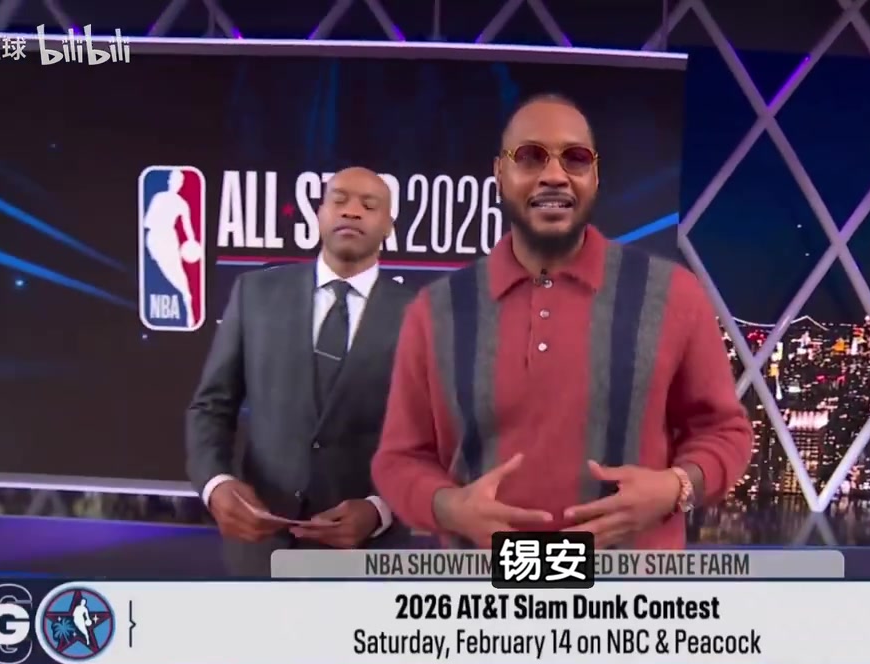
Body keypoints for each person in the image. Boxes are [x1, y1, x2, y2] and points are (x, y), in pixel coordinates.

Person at [372, 95, 753, 549]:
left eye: (575, 158)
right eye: (530, 156)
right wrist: (448, 508)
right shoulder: (434, 310)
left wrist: (675, 489)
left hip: (632, 589)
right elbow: (399, 459)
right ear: (499, 173)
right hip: (480, 589)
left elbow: (724, 433)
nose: (554, 175)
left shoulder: (675, 294)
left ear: (595, 175)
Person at [187, 167, 412, 576]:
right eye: (339, 200)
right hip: (259, 553)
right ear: (320, 213)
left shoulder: (425, 314)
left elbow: (439, 438)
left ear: (388, 226)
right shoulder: (255, 294)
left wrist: (380, 510)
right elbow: (211, 407)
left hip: (366, 561)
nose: (352, 211)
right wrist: (216, 484)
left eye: (369, 205)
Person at [143, 168, 199, 328]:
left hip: (169, 238)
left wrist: (192, 243)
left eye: (180, 181)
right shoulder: (159, 197)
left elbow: (188, 227)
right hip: (155, 238)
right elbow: (147, 222)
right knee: (164, 272)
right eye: (174, 180)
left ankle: (188, 306)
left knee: (178, 274)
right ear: (169, 181)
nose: (176, 183)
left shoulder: (182, 203)